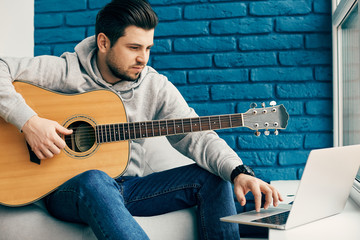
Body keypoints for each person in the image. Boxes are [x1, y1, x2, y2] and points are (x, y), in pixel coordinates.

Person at [0, 0, 283, 239]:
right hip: (67, 189)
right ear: (103, 42)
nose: (143, 58)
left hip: (129, 189)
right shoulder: (65, 71)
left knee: (213, 176)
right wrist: (29, 123)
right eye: (134, 48)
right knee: (95, 180)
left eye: (148, 48)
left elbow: (197, 135)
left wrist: (238, 171)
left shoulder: (154, 86)